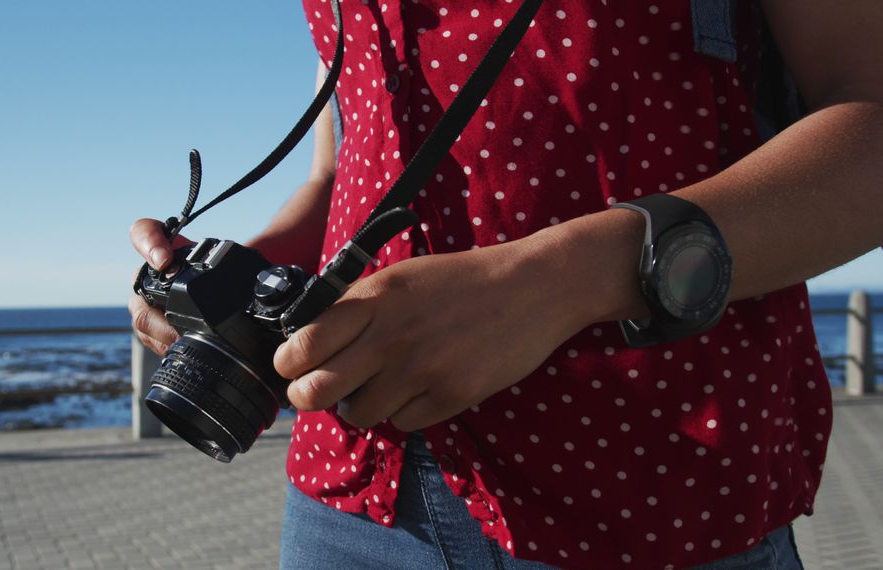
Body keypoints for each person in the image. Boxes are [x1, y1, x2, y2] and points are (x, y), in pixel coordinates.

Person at [129, 1, 883, 568]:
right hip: (350, 499)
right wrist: (231, 277)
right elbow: (350, 170)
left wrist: (554, 283)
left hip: (654, 480)